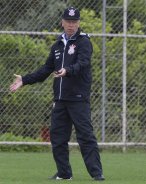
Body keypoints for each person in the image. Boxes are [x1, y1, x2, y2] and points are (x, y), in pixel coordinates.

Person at [9, 7, 105, 181]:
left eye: (74, 22)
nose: (71, 25)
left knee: (85, 136)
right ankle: (64, 173)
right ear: (62, 22)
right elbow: (46, 69)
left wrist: (67, 71)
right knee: (58, 138)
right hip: (60, 100)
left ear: (78, 23)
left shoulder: (84, 42)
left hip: (78, 99)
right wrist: (24, 80)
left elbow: (83, 63)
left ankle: (97, 174)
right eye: (68, 22)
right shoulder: (57, 45)